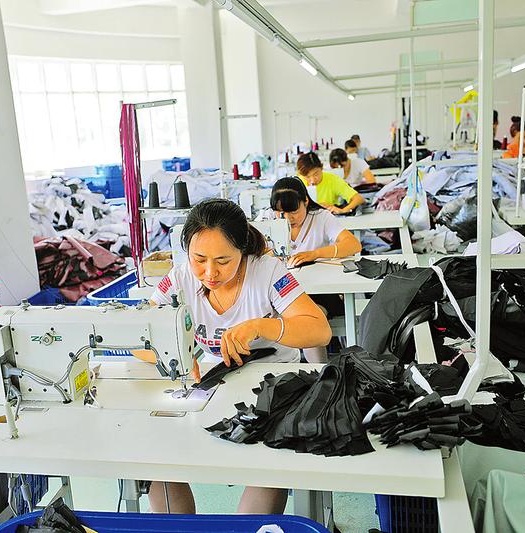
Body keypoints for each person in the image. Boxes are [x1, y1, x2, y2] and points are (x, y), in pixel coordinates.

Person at [148, 198, 331, 514]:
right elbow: (143, 331)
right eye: (199, 259)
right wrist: (173, 354)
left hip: (276, 383)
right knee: (157, 458)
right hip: (215, 379)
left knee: (266, 464)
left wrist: (261, 326)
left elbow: (319, 330)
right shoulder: (180, 278)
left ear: (242, 250)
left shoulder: (267, 272)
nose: (210, 272)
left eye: (223, 260)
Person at [271, 178, 361, 362]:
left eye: (293, 211)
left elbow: (353, 244)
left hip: (321, 294)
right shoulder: (269, 219)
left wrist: (315, 254)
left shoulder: (321, 217)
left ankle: (320, 371)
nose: (287, 218)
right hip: (284, 293)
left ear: (305, 201)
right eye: (281, 212)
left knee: (308, 320)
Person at [296, 152, 366, 214]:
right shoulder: (298, 182)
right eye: (307, 177)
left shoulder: (333, 180)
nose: (312, 180)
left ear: (321, 168)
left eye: (316, 174)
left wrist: (343, 210)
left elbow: (359, 199)